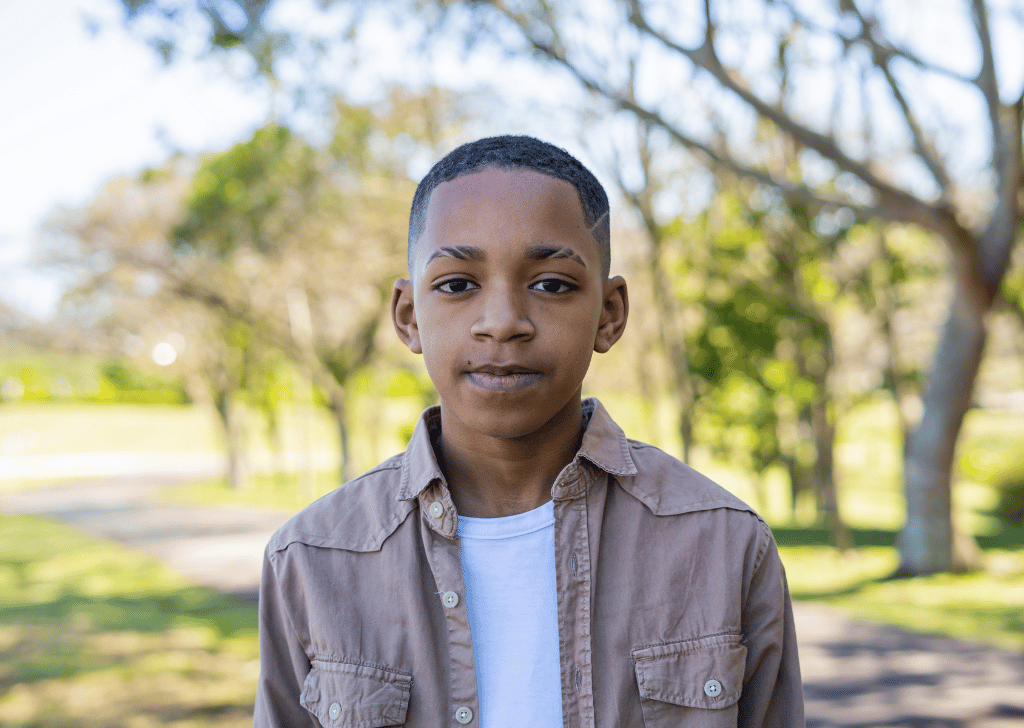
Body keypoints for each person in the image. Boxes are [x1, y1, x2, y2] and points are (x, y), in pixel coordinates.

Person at [253, 135, 804, 728]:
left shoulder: (722, 545)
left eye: (551, 284)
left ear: (609, 312)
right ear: (410, 317)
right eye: (458, 284)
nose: (503, 323)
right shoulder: (312, 560)